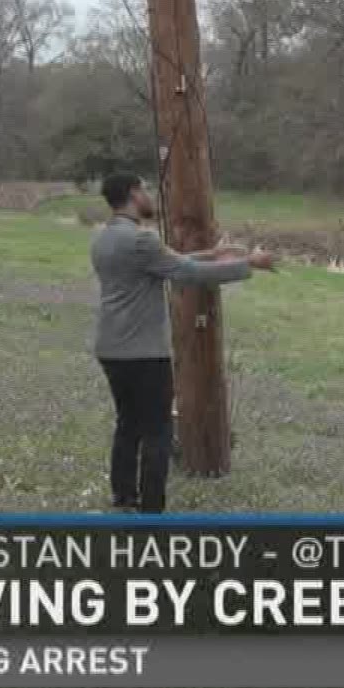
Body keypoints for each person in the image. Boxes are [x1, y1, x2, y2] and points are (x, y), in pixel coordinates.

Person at [90, 174, 275, 513]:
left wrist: (213, 253)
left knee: (127, 423)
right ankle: (151, 510)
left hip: (111, 349)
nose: (148, 196)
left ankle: (123, 498)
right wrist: (249, 263)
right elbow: (186, 273)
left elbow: (172, 260)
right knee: (158, 431)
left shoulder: (103, 239)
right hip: (143, 352)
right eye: (144, 190)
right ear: (133, 194)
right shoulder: (141, 240)